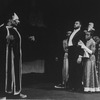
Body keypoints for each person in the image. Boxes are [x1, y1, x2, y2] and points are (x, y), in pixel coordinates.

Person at [0, 13, 28, 99]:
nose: (18, 22)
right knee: (5, 73)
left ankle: (16, 92)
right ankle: (2, 94)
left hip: (15, 57)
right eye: (16, 20)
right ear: (10, 20)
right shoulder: (2, 29)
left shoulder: (15, 29)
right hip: (5, 58)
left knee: (15, 73)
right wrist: (6, 40)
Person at [78, 22, 100, 92]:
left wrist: (84, 47)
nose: (86, 36)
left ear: (91, 36)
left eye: (88, 35)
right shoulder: (86, 41)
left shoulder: (92, 41)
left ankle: (90, 87)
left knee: (89, 72)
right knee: (86, 72)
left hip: (91, 58)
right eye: (86, 34)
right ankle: (86, 86)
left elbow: (92, 52)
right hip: (86, 58)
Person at [67, 21, 84, 92]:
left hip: (76, 52)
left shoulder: (81, 33)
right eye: (74, 23)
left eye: (77, 23)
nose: (75, 24)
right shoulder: (72, 32)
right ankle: (72, 86)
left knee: (77, 70)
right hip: (71, 51)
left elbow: (82, 44)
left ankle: (78, 87)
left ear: (80, 25)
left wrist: (80, 56)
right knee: (71, 69)